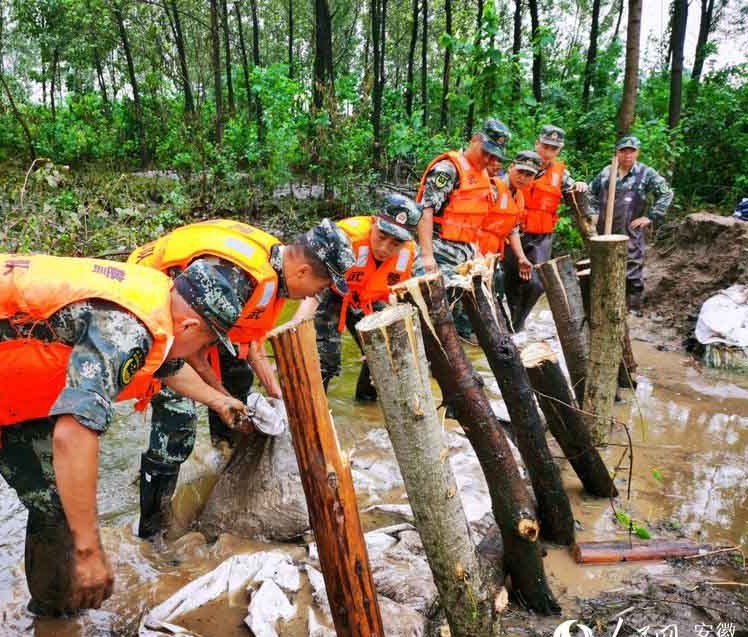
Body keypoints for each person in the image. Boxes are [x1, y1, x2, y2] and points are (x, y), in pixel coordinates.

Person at [0, 253, 249, 637]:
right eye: (206, 344)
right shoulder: (127, 327)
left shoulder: (160, 301)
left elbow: (168, 363)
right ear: (190, 326)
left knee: (56, 500)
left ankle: (52, 623)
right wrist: (90, 552)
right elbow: (74, 434)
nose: (203, 354)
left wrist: (219, 400)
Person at [128, 219, 356, 539]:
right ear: (303, 271)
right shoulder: (235, 279)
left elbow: (252, 340)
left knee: (237, 382)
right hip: (155, 308)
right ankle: (152, 533)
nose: (318, 295)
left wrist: (279, 396)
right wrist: (221, 398)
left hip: (194, 319)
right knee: (177, 425)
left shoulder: (275, 272)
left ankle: (217, 467)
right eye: (320, 288)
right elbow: (190, 350)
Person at [293, 195, 421, 400]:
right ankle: (315, 409)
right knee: (324, 361)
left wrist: (384, 343)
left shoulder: (409, 254)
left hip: (367, 298)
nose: (384, 248)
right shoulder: (345, 239)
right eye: (381, 237)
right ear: (373, 222)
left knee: (384, 355)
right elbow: (312, 289)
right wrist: (296, 328)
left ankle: (366, 406)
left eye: (395, 243)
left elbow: (398, 299)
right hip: (331, 293)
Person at [415, 118, 511, 337]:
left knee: (485, 293)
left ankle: (464, 348)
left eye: (495, 156)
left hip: (466, 253)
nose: (489, 159)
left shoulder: (485, 176)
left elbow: (475, 220)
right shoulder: (448, 169)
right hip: (438, 250)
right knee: (443, 302)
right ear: (475, 140)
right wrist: (427, 256)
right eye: (486, 152)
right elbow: (425, 211)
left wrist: (477, 253)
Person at [505, 125, 591, 332]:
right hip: (512, 233)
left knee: (536, 284)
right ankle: (510, 322)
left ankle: (518, 323)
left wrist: (580, 185)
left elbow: (576, 195)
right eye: (545, 146)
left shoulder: (561, 174)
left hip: (541, 237)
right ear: (537, 144)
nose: (548, 152)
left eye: (554, 149)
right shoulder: (521, 165)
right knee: (509, 280)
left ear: (558, 150)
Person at [589, 136, 674, 310]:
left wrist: (650, 216)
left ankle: (633, 308)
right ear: (617, 153)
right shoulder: (607, 172)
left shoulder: (645, 173)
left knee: (632, 268)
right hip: (604, 230)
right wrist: (594, 213)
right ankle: (603, 306)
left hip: (630, 229)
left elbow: (666, 194)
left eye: (631, 151)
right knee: (602, 267)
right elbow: (590, 193)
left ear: (637, 153)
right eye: (623, 151)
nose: (627, 155)